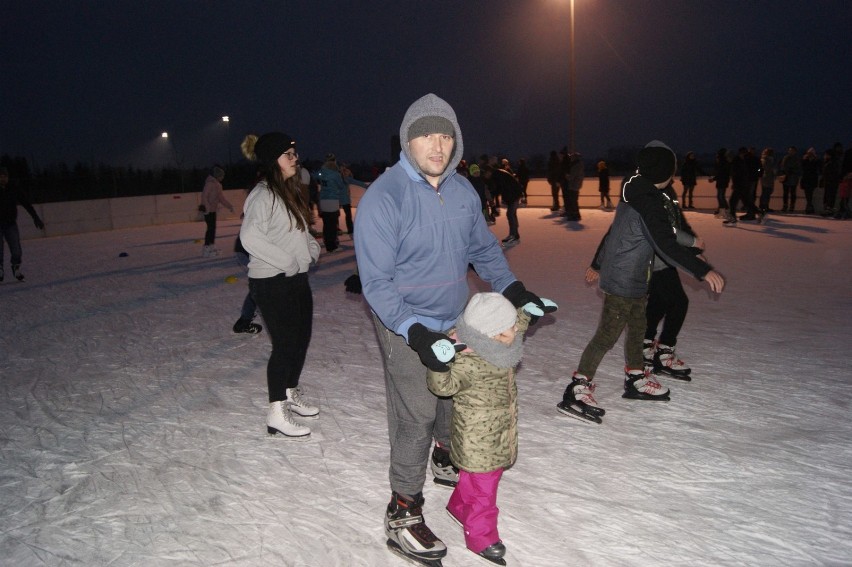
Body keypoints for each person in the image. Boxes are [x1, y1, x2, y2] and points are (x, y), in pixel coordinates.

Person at [354, 93, 557, 566]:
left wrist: (514, 288)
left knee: (456, 396)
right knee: (418, 412)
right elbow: (377, 284)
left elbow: (484, 252)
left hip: (453, 316)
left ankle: (446, 452)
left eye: (446, 135)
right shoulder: (386, 197)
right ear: (408, 139)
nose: (437, 145)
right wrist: (416, 332)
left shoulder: (463, 190)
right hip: (403, 320)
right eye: (427, 134)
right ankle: (402, 510)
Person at [557, 141, 725, 424]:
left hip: (634, 277)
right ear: (665, 174)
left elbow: (617, 236)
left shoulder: (638, 193)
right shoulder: (647, 202)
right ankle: (577, 387)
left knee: (637, 330)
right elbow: (665, 242)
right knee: (606, 335)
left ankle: (636, 376)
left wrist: (599, 264)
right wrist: (702, 269)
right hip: (623, 280)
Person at [427, 292, 532, 566]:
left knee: (471, 479)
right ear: (493, 334)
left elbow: (515, 323)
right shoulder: (469, 361)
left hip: (496, 433)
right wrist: (438, 365)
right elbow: (443, 387)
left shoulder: (498, 345)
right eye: (511, 327)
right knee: (485, 488)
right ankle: (481, 537)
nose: (516, 330)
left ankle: (458, 507)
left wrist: (529, 311)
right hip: (480, 440)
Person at [239, 132, 321, 438]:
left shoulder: (289, 191)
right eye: (288, 155)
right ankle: (276, 411)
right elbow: (249, 237)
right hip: (271, 281)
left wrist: (310, 249)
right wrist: (286, 261)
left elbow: (298, 230)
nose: (295, 159)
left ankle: (289, 392)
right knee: (285, 344)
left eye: (294, 154)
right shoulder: (262, 194)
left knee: (300, 339)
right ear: (274, 161)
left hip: (295, 278)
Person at [643, 181, 706, 381]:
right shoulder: (646, 192)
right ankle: (664, 352)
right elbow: (663, 228)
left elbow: (679, 221)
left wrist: (693, 251)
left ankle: (644, 343)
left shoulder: (668, 191)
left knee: (660, 300)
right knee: (678, 301)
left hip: (665, 255)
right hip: (653, 257)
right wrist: (691, 244)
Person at [0, 166, 44, 282]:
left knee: (16, 250)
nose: (3, 178)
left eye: (5, 176)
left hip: (10, 224)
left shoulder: (13, 189)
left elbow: (26, 203)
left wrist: (35, 217)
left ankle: (16, 267)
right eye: (1, 176)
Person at [312, 154, 348, 253]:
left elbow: (315, 176)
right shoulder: (335, 174)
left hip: (323, 200)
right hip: (333, 200)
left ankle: (328, 243)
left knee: (327, 223)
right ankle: (332, 245)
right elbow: (341, 186)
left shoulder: (321, 172)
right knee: (333, 223)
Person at [484, 163, 523, 247]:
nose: (485, 176)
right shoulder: (498, 173)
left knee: (510, 214)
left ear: (488, 172)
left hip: (514, 195)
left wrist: (493, 196)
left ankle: (514, 235)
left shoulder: (497, 175)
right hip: (515, 194)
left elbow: (499, 188)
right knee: (512, 214)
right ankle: (515, 234)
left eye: (485, 174)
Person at [200, 166, 234, 257]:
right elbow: (204, 196)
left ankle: (211, 245)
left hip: (213, 210)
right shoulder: (209, 184)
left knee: (213, 228)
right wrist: (206, 209)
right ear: (217, 176)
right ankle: (206, 248)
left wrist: (229, 206)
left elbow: (221, 199)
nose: (222, 178)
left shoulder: (218, 185)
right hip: (208, 211)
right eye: (221, 176)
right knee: (210, 229)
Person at [338, 161, 369, 235]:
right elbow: (356, 182)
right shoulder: (343, 178)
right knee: (346, 215)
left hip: (339, 199)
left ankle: (348, 229)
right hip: (343, 199)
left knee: (343, 215)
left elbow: (355, 181)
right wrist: (366, 186)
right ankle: (350, 229)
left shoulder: (341, 177)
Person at [709, 148, 731, 217]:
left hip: (721, 181)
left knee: (720, 196)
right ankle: (726, 210)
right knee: (721, 196)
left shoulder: (722, 162)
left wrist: (713, 179)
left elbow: (720, 173)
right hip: (724, 181)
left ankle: (723, 211)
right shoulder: (725, 162)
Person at [779, 146, 802, 213]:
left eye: (792, 150)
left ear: (795, 151)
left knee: (792, 193)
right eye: (790, 150)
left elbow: (799, 169)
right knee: (786, 193)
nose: (790, 152)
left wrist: (792, 171)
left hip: (793, 178)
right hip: (787, 178)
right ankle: (785, 205)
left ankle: (791, 206)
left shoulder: (797, 159)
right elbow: (782, 167)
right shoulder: (786, 158)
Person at [800, 147, 820, 214]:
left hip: (810, 179)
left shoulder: (815, 161)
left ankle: (809, 206)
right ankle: (810, 207)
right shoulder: (806, 161)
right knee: (808, 194)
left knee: (809, 194)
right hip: (808, 179)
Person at [758, 147, 776, 214]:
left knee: (766, 192)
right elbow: (765, 168)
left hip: (766, 177)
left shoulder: (765, 159)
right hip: (767, 178)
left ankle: (764, 206)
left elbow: (761, 169)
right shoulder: (766, 160)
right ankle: (764, 206)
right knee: (766, 192)